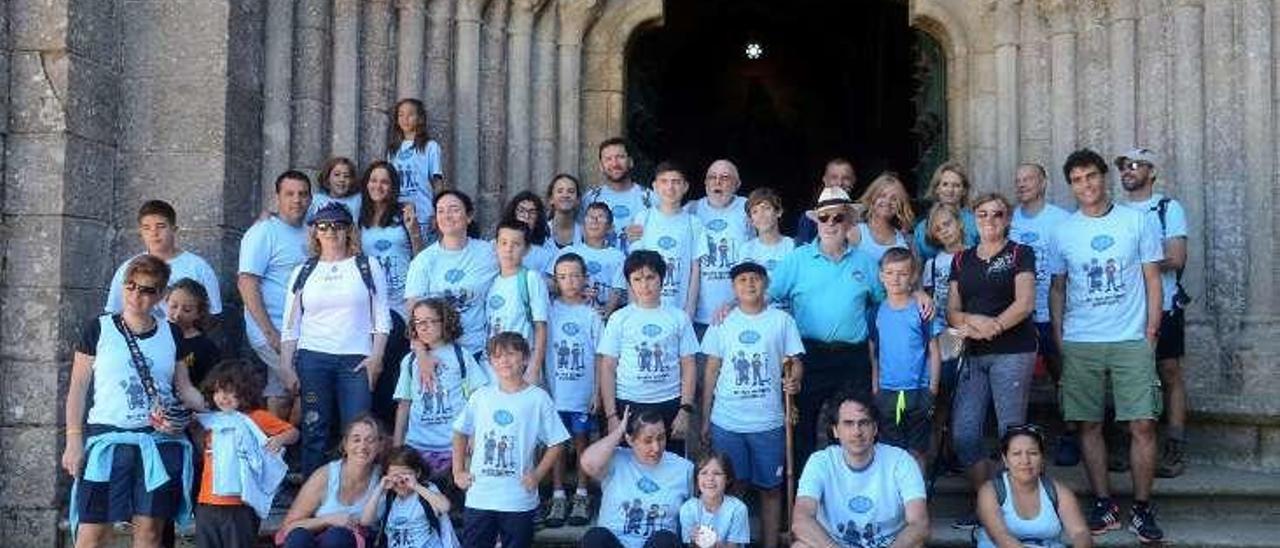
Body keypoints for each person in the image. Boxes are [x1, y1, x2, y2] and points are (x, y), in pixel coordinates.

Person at [1048, 149, 1164, 543]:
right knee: (1088, 424)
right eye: (1077, 179)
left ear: (1104, 177)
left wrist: (1151, 331)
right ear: (1071, 185)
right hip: (1082, 339)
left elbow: (1152, 279)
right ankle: (1104, 503)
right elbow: (1058, 287)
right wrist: (1060, 336)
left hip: (1131, 337)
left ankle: (1143, 508)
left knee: (1143, 424)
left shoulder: (1136, 220)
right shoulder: (1063, 230)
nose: (1086, 185)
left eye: (1092, 176)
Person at [63, 254, 208, 548]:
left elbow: (184, 388)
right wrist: (73, 439)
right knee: (92, 534)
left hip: (157, 440)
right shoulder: (99, 328)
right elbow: (78, 388)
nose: (135, 295)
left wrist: (218, 407)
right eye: (130, 286)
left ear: (161, 296)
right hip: (108, 437)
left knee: (150, 533)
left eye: (146, 290)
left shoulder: (172, 334)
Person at [768, 187, 886, 467]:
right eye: (824, 218)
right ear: (816, 221)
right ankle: (802, 501)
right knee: (803, 429)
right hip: (809, 355)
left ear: (849, 222)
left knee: (853, 429)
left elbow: (889, 301)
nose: (831, 224)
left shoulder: (867, 263)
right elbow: (764, 298)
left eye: (838, 217)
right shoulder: (796, 260)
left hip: (853, 356)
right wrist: (730, 306)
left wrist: (917, 294)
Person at [279, 202, 392, 477]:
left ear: (349, 231)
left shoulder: (367, 265)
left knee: (358, 430)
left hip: (355, 358)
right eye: (324, 226)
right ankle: (312, 495)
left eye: (339, 225)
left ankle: (358, 491)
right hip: (313, 358)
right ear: (315, 232)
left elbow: (381, 317)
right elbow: (290, 324)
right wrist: (286, 364)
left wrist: (376, 357)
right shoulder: (303, 271)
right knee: (314, 426)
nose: (331, 231)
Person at [947, 192, 1037, 529]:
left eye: (997, 214)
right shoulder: (961, 259)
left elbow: (1025, 302)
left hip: (1013, 350)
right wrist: (973, 323)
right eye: (982, 214)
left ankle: (1011, 508)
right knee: (965, 433)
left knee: (1010, 433)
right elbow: (951, 310)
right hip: (973, 354)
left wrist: (995, 325)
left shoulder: (1019, 253)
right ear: (974, 218)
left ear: (1008, 218)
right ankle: (988, 502)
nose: (990, 221)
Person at [699, 261, 803, 548]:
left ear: (765, 283)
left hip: (769, 422)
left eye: (754, 279)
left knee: (771, 489)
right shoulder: (722, 322)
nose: (749, 284)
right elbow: (711, 370)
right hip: (727, 421)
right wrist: (706, 418)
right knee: (732, 489)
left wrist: (794, 380)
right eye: (742, 280)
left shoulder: (781, 321)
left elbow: (795, 362)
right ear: (734, 287)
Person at [451, 332, 570, 548]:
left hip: (517, 498)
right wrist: (457, 471)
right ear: (490, 362)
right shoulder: (481, 396)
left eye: (511, 354)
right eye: (497, 356)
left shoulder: (537, 398)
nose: (504, 361)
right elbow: (460, 431)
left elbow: (557, 442)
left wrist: (538, 474)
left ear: (525, 358)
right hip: (480, 495)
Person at [1118, 147, 1190, 479]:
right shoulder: (1115, 211)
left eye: (1135, 165)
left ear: (1152, 171)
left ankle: (1174, 447)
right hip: (1127, 308)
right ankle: (1127, 444)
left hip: (1164, 304)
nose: (1127, 171)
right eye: (1123, 166)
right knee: (1124, 376)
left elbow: (1176, 258)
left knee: (1169, 370)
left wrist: (1138, 261)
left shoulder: (1167, 208)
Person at [791, 393, 929, 547]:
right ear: (835, 430)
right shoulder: (820, 462)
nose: (857, 432)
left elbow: (919, 524)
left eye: (864, 423)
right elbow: (800, 520)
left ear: (875, 428)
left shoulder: (901, 461)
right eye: (848, 423)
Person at [598, 250, 699, 454]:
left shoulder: (679, 317)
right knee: (628, 466)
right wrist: (611, 416)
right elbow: (607, 367)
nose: (644, 285)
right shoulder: (619, 318)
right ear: (629, 283)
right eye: (637, 279)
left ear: (662, 278)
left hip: (669, 403)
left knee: (670, 465)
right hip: (628, 404)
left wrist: (685, 409)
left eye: (650, 277)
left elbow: (689, 365)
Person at [1009, 163, 1075, 465]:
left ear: (1043, 182)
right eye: (1019, 180)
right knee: (1015, 380)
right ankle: (1015, 444)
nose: (1023, 185)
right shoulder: (1008, 220)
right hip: (1016, 314)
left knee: (1064, 376)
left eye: (1029, 179)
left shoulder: (1062, 220)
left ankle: (1071, 435)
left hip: (1051, 312)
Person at [194, 359, 298, 548]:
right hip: (207, 502)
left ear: (244, 391)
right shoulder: (211, 420)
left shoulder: (256, 417)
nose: (222, 397)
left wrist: (278, 440)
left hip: (240, 504)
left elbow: (293, 433)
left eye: (229, 391)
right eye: (217, 391)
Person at [393, 298, 489, 503]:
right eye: (419, 322)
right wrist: (397, 445)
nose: (424, 327)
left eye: (430, 321)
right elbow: (404, 405)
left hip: (454, 446)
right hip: (418, 446)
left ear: (444, 322)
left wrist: (474, 435)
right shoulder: (410, 361)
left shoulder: (461, 356)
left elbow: (478, 398)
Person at [239, 170, 313, 419]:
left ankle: (274, 450)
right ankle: (290, 442)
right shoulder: (263, 231)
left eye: (303, 194)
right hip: (273, 328)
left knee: (279, 392)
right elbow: (247, 282)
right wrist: (270, 332)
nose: (297, 200)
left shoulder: (310, 233)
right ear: (277, 197)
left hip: (297, 330)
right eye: (289, 194)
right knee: (309, 387)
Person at [359, 160, 426, 425]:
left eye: (385, 181)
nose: (378, 186)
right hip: (369, 303)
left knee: (390, 358)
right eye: (374, 180)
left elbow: (420, 258)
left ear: (393, 186)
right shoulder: (359, 216)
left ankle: (384, 425)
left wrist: (414, 230)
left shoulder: (404, 214)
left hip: (399, 303)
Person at [544, 253, 605, 528]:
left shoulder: (591, 314)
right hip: (554, 393)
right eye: (563, 276)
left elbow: (601, 356)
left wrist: (598, 392)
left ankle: (581, 494)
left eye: (576, 275)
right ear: (555, 280)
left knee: (582, 443)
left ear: (585, 278)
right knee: (556, 444)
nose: (570, 281)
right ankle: (558, 494)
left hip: (582, 393)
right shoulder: (547, 311)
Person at [579, 406, 693, 548]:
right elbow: (588, 463)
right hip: (615, 543)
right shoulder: (615, 458)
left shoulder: (683, 468)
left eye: (661, 438)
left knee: (665, 540)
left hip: (656, 545)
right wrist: (619, 430)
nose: (656, 448)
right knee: (595, 537)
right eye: (648, 440)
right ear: (630, 440)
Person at [404, 189, 499, 360]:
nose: (447, 215)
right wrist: (421, 355)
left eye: (454, 209)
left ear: (469, 216)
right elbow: (413, 314)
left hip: (479, 351)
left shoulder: (489, 253)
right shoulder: (424, 260)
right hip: (437, 354)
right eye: (441, 211)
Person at [870, 248, 941, 473]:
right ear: (881, 276)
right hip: (888, 391)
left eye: (902, 273)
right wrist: (875, 387)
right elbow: (873, 351)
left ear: (912, 277)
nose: (895, 278)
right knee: (890, 449)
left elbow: (934, 350)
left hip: (917, 389)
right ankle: (895, 502)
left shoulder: (922, 310)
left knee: (916, 449)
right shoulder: (876, 312)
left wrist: (932, 389)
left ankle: (916, 499)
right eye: (889, 273)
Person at [975, 425, 1092, 548]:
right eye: (1016, 454)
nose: (1025, 460)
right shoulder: (990, 491)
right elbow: (1000, 536)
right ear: (1005, 460)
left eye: (1032, 453)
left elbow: (1080, 532)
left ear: (1042, 459)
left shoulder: (1059, 492)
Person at [278, 415, 385, 548]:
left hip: (361, 542)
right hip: (322, 541)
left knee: (338, 537)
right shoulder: (325, 476)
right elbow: (288, 528)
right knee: (299, 537)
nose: (362, 446)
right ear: (345, 445)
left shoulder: (384, 477)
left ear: (380, 446)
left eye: (370, 440)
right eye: (356, 440)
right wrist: (329, 520)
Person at [106, 200, 222, 319]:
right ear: (141, 232)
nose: (154, 233)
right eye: (147, 228)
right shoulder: (129, 268)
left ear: (174, 229)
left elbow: (213, 314)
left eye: (161, 226)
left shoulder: (198, 267)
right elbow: (114, 312)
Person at [629, 161, 707, 316]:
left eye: (676, 182)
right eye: (664, 181)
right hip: (646, 308)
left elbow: (695, 269)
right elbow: (633, 266)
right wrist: (634, 307)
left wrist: (689, 310)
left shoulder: (693, 223)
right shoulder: (643, 218)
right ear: (655, 186)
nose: (670, 187)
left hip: (678, 310)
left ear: (685, 187)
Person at [686, 159, 752, 334]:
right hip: (699, 319)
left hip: (741, 315)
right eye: (712, 177)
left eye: (725, 177)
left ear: (737, 184)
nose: (718, 182)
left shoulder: (749, 209)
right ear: (705, 183)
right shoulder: (691, 210)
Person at [486, 220, 552, 383]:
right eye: (503, 243)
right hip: (493, 365)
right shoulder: (492, 280)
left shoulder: (531, 279)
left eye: (516, 244)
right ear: (496, 246)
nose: (508, 249)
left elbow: (541, 327)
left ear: (526, 249)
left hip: (520, 365)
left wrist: (534, 368)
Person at [359, 446, 457, 548]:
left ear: (417, 473)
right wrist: (380, 488)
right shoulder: (389, 496)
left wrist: (415, 486)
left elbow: (445, 507)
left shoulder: (426, 489)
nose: (401, 482)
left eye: (406, 475)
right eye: (395, 475)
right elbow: (365, 520)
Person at [554, 201, 627, 318]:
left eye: (600, 217)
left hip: (601, 315)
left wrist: (607, 312)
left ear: (610, 228)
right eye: (590, 217)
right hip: (569, 313)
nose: (594, 221)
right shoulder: (568, 252)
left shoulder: (618, 256)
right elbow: (552, 282)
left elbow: (617, 289)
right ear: (583, 225)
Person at [387, 98, 444, 243]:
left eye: (410, 114)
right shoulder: (393, 150)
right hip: (398, 212)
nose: (405, 119)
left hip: (423, 213)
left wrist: (438, 212)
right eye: (401, 115)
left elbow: (437, 181)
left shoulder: (430, 146)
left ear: (420, 119)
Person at [586, 137, 655, 252]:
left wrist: (646, 233)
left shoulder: (650, 198)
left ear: (630, 162)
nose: (615, 163)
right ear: (601, 166)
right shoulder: (591, 199)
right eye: (608, 159)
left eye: (620, 157)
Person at [739, 188, 795, 312]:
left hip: (787, 315)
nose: (761, 215)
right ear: (750, 220)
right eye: (755, 211)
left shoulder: (793, 246)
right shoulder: (745, 250)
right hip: (756, 316)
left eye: (766, 208)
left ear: (779, 212)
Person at [678, 452, 751, 548]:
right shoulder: (688, 508)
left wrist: (717, 545)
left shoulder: (738, 508)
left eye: (717, 473)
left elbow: (733, 545)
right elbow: (690, 545)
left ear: (728, 479)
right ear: (696, 478)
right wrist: (694, 541)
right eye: (704, 473)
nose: (710, 478)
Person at [914, 162, 979, 260]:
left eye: (956, 185)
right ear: (937, 189)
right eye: (945, 184)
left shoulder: (976, 222)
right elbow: (918, 263)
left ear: (964, 191)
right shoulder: (922, 228)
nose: (950, 190)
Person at [167, 278, 222, 388]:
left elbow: (209, 383)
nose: (177, 314)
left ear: (199, 313)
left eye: (187, 310)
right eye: (173, 306)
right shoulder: (156, 335)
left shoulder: (206, 347)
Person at [847, 172, 914, 262]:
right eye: (882, 196)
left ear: (900, 205)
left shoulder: (905, 240)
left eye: (894, 199)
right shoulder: (855, 233)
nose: (887, 202)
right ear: (872, 198)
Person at [795, 158, 856, 245]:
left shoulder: (864, 215)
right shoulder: (809, 219)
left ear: (853, 181)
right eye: (834, 177)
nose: (839, 183)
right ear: (824, 180)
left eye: (846, 178)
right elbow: (803, 253)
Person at [504, 191, 559, 273]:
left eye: (532, 212)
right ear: (513, 213)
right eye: (521, 211)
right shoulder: (497, 245)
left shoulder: (547, 251)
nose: (526, 216)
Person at [546, 173, 585, 248]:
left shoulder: (585, 234)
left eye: (571, 191)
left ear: (578, 200)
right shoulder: (540, 232)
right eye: (560, 191)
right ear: (551, 199)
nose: (565, 195)